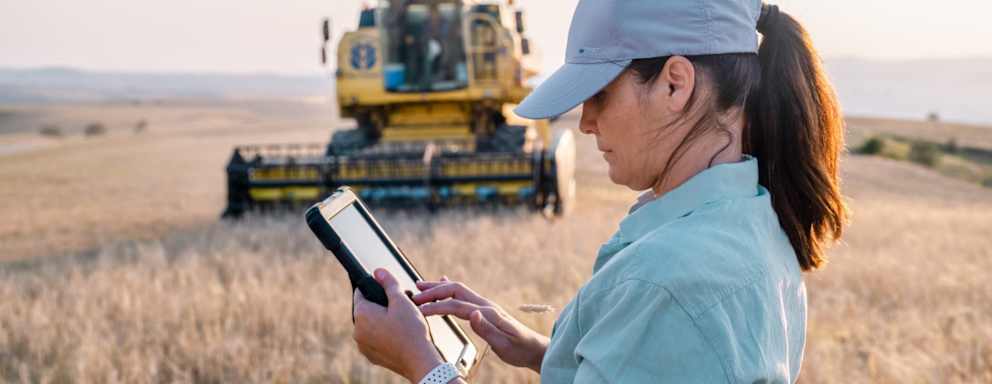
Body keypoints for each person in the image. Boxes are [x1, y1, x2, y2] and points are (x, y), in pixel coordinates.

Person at [350, 0, 847, 382]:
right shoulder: (754, 220)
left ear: (675, 85)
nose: (585, 122)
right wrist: (547, 352)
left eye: (599, 94)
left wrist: (423, 364)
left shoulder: (667, 282)